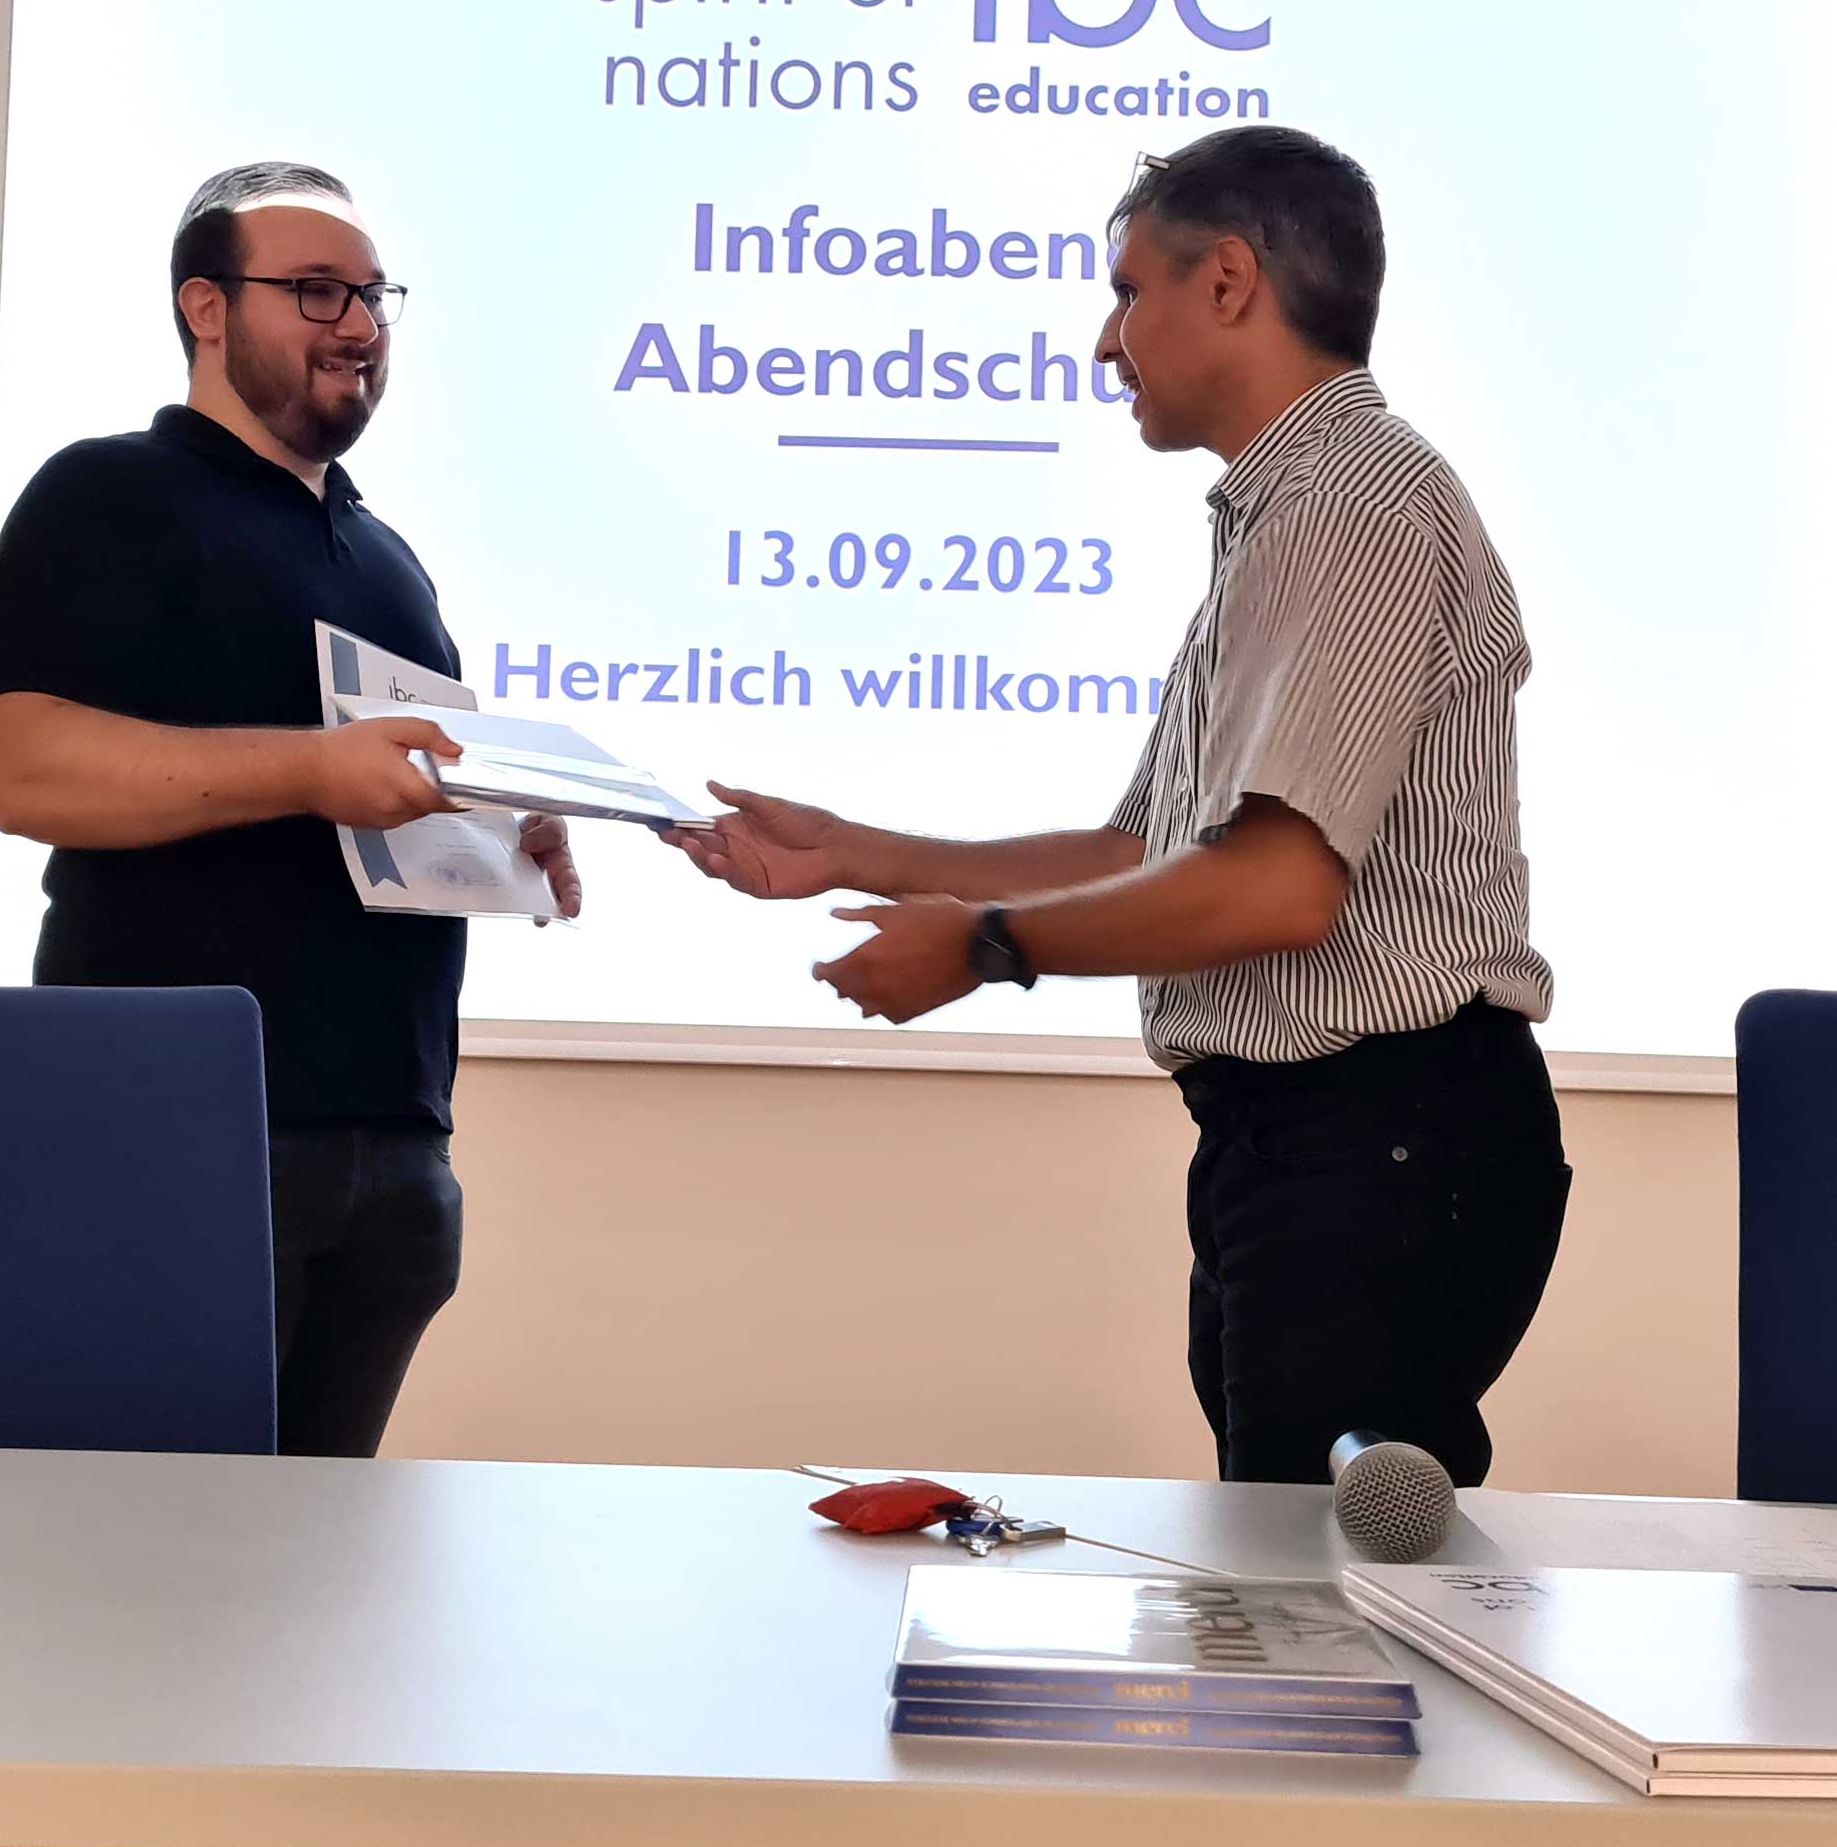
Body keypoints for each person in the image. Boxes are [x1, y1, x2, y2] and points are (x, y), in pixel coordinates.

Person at [670, 125, 1567, 1488]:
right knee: (1287, 1566)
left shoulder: (1352, 500)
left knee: (1319, 1586)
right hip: (1303, 1140)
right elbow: (1142, 849)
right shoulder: (1286, 512)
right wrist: (855, 851)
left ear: (1229, 282)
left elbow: (1275, 887)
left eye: (1128, 291)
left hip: (1377, 1135)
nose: (1104, 341)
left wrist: (987, 946)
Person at [0, 161, 579, 1457]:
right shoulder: (109, 496)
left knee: (310, 1568)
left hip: (396, 1154)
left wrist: (502, 834)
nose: (357, 325)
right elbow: (23, 769)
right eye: (315, 290)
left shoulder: (390, 561)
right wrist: (310, 769)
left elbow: (385, 804)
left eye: (373, 297)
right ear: (206, 307)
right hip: (177, 1140)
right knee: (144, 1558)